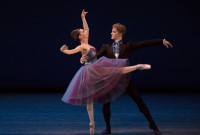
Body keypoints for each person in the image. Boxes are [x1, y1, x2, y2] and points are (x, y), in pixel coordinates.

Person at [60, 10, 152, 135]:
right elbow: (72, 51)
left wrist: (83, 17)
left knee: (116, 70)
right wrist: (64, 51)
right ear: (80, 36)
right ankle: (91, 122)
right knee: (89, 99)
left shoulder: (87, 42)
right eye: (82, 31)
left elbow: (88, 28)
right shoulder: (81, 46)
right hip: (89, 71)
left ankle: (138, 66)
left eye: (83, 30)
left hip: (96, 67)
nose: (85, 31)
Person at [81, 23, 173, 134]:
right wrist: (83, 59)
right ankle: (108, 128)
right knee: (106, 104)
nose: (111, 33)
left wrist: (161, 41)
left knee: (140, 102)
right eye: (112, 31)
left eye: (114, 31)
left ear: (120, 34)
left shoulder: (127, 46)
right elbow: (94, 58)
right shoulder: (106, 47)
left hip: (125, 80)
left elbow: (144, 44)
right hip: (111, 80)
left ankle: (153, 126)